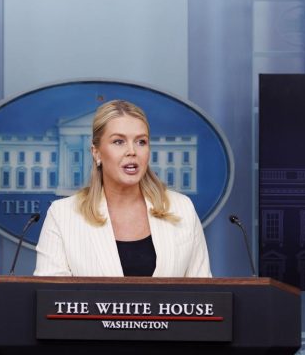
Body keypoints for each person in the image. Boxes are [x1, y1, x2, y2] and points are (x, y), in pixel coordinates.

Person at [34, 99, 211, 277]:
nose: (132, 151)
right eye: (119, 141)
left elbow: (206, 297)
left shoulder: (182, 208)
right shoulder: (62, 215)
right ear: (96, 153)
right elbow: (50, 300)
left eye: (141, 142)